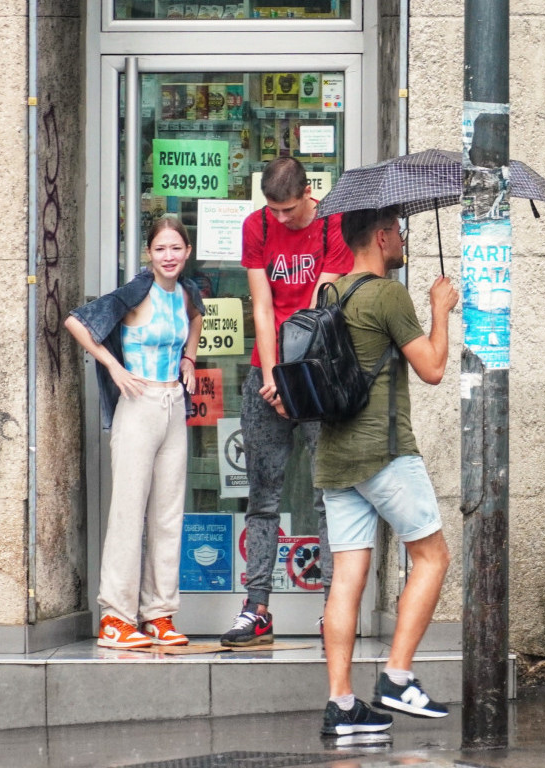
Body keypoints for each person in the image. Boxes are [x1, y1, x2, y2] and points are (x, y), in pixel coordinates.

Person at [316, 205, 457, 737]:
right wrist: (439, 309)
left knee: (347, 580)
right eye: (397, 231)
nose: (402, 238)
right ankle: (398, 674)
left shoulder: (329, 293)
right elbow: (434, 369)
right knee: (432, 556)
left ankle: (342, 703)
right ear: (380, 237)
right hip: (385, 452)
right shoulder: (388, 294)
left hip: (334, 456)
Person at [221, 157, 353, 647]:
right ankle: (257, 609)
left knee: (328, 497)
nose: (279, 219)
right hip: (266, 371)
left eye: (289, 209)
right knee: (263, 496)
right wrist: (274, 375)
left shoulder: (332, 224)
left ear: (307, 193)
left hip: (315, 372)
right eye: (272, 210)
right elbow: (260, 302)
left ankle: (331, 609)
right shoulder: (255, 225)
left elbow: (321, 309)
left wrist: (294, 378)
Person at [65, 216, 205, 649]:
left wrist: (189, 359)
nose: (168, 256)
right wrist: (113, 366)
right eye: (161, 249)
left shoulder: (188, 292)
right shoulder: (136, 291)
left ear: (187, 251)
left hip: (172, 404)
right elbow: (77, 322)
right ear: (149, 253)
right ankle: (116, 617)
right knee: (128, 512)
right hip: (139, 404)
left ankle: (159, 614)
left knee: (167, 514)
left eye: (175, 248)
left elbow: (196, 318)